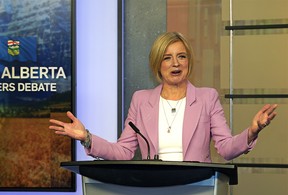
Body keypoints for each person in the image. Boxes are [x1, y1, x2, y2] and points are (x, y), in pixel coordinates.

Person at [49, 32, 277, 162]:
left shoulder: (207, 98)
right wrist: (87, 137)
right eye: (167, 58)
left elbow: (226, 149)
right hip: (154, 188)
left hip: (197, 188)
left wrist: (252, 131)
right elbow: (124, 151)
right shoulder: (141, 100)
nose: (175, 63)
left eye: (181, 56)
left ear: (189, 62)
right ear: (158, 64)